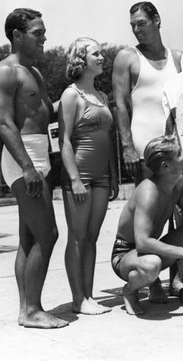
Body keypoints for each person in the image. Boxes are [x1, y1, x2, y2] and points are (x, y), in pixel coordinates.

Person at [0, 8, 68, 328]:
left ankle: (26, 309)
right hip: (23, 159)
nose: (44, 37)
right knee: (48, 235)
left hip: (38, 157)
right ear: (17, 36)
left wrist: (82, 95)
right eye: (37, 33)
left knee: (29, 237)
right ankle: (33, 310)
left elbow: (47, 112)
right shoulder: (4, 72)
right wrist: (28, 168)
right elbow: (5, 124)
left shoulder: (33, 72)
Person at [111, 135, 183, 315]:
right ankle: (130, 290)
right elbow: (142, 243)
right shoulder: (148, 191)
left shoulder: (179, 181)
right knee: (151, 264)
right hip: (125, 255)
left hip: (150, 249)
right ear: (166, 166)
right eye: (179, 154)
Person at [59, 37, 119, 315]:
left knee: (92, 238)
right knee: (78, 237)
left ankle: (89, 296)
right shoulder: (72, 95)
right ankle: (77, 298)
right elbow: (65, 140)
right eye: (96, 54)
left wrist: (114, 176)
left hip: (102, 177)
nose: (102, 57)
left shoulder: (102, 96)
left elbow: (108, 138)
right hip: (80, 175)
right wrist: (74, 179)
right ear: (81, 59)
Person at [112, 1, 183, 184]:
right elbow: (120, 106)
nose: (136, 29)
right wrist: (128, 147)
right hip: (145, 149)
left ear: (156, 20)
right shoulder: (127, 57)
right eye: (132, 25)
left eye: (141, 23)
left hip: (177, 149)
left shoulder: (178, 58)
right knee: (150, 208)